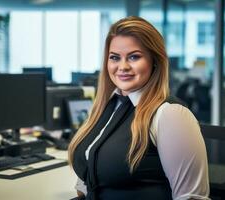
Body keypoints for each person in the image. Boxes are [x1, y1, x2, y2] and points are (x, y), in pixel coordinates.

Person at [68, 16, 210, 200]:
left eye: (134, 57)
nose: (123, 66)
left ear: (155, 61)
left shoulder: (170, 114)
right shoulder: (108, 107)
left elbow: (191, 197)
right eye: (114, 57)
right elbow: (87, 179)